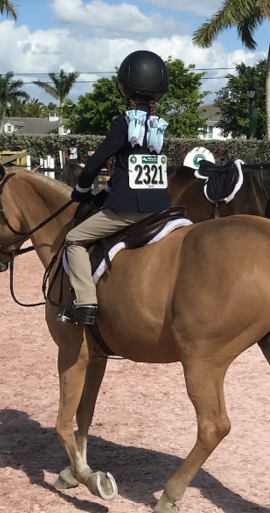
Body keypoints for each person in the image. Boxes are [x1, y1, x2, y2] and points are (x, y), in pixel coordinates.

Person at [62, 50, 170, 326]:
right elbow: (132, 170)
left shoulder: (124, 122)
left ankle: (85, 301)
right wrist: (103, 195)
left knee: (73, 239)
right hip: (160, 207)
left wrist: (83, 189)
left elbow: (98, 160)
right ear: (159, 92)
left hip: (129, 209)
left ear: (125, 89)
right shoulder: (158, 126)